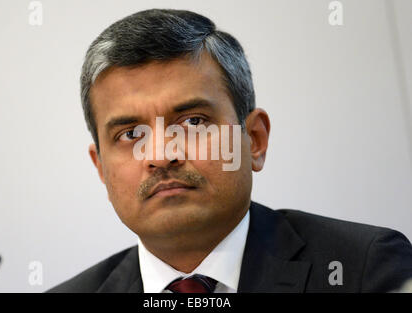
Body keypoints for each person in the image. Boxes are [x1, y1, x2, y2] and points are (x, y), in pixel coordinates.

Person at [47, 9, 412, 293]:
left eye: (192, 122)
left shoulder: (363, 267)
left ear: (254, 140)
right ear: (101, 168)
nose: (160, 154)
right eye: (129, 134)